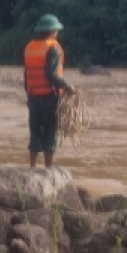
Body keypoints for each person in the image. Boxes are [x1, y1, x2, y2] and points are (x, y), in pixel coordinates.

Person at [23, 14, 74, 168]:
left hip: (33, 96)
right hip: (49, 96)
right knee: (50, 132)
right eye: (56, 30)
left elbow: (26, 74)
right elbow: (51, 75)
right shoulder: (53, 48)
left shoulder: (30, 46)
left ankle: (32, 167)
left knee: (35, 131)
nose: (57, 33)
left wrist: (29, 94)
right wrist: (67, 86)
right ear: (52, 31)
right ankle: (49, 169)